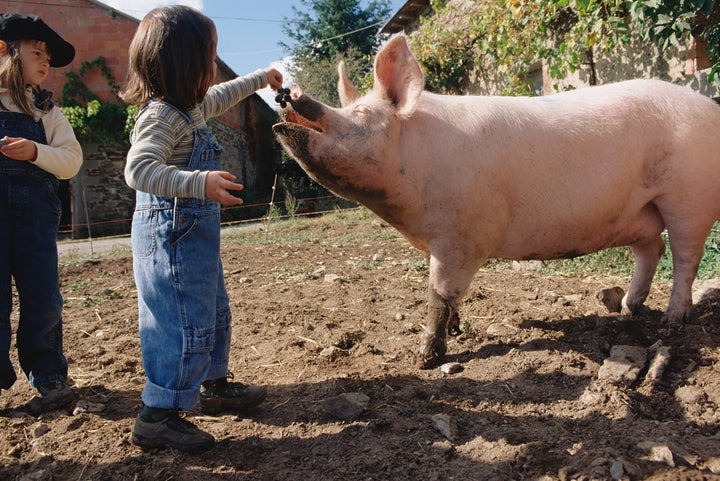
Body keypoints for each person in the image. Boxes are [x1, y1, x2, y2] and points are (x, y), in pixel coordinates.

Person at [120, 5, 283, 452]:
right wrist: (198, 182)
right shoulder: (161, 117)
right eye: (209, 56)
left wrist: (260, 77)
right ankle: (159, 414)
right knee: (181, 322)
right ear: (183, 63)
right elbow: (140, 169)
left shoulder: (191, 108)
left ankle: (213, 383)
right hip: (170, 239)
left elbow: (226, 94)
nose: (214, 66)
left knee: (210, 312)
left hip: (193, 239)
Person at [0, 13, 82, 411]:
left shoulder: (45, 111)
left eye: (48, 56)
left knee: (44, 298)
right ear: (4, 50)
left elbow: (71, 161)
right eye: (37, 53)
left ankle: (49, 375)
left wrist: (35, 151)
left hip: (34, 217)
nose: (46, 62)